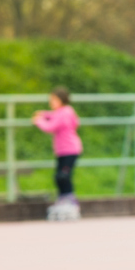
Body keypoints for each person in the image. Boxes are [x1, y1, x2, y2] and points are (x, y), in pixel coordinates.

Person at [32, 87, 83, 220]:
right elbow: (53, 115)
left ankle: (71, 201)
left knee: (63, 176)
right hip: (62, 151)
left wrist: (38, 120)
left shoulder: (65, 113)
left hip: (70, 150)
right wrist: (43, 114)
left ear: (61, 100)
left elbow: (50, 126)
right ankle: (63, 199)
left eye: (53, 100)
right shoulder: (63, 112)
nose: (51, 102)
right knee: (58, 177)